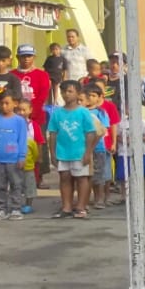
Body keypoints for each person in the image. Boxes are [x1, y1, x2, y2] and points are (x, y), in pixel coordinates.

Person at [47, 80, 98, 219]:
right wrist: (52, 153)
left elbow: (90, 133)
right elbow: (52, 134)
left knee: (82, 179)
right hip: (62, 152)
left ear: (78, 93)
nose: (66, 94)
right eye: (63, 91)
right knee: (64, 178)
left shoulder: (83, 112)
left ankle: (81, 207)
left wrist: (88, 152)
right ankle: (67, 206)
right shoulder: (57, 113)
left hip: (79, 152)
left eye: (70, 91)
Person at [0, 91, 29, 220]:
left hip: (14, 159)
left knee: (16, 184)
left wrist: (22, 156)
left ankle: (16, 208)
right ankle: (1, 209)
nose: (4, 106)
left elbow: (22, 140)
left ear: (15, 104)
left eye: (7, 103)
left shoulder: (19, 121)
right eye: (1, 103)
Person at [82, 83, 119, 211]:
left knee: (99, 175)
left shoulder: (101, 112)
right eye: (88, 95)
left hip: (98, 148)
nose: (90, 98)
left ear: (99, 97)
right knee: (87, 175)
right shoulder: (81, 112)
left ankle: (100, 198)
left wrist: (112, 142)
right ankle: (88, 199)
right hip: (83, 148)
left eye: (93, 95)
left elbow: (103, 129)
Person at [13, 44, 51, 128]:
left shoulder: (42, 75)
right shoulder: (12, 75)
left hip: (37, 118)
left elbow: (42, 97)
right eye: (23, 56)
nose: (26, 59)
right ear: (17, 57)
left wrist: (31, 113)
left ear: (34, 57)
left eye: (29, 56)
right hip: (16, 117)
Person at [17, 97, 39, 215]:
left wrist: (36, 159)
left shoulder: (34, 125)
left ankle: (28, 205)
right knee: (16, 185)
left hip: (29, 164)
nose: (21, 113)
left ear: (30, 110)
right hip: (14, 163)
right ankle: (17, 204)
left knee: (29, 186)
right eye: (19, 110)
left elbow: (37, 145)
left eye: (24, 110)